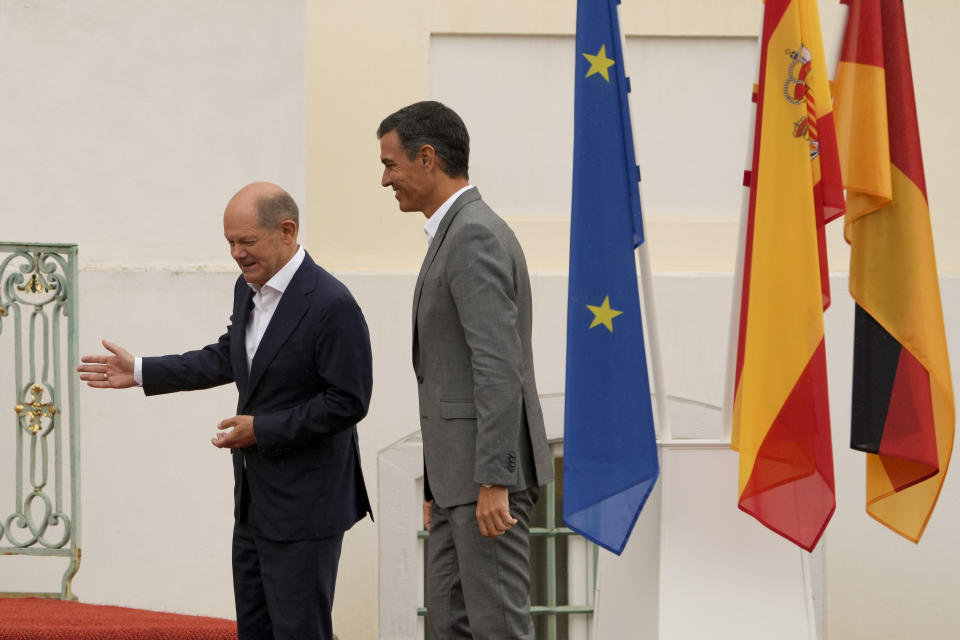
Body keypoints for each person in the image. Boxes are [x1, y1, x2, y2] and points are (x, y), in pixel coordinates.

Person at [77, 182, 373, 640]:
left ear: (287, 231)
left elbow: (348, 402)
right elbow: (228, 355)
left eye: (246, 242)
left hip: (306, 511)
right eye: (230, 242)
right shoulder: (248, 287)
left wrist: (263, 429)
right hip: (253, 506)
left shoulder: (332, 305)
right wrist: (139, 371)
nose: (236, 253)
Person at [377, 101, 553, 640]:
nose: (385, 180)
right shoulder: (454, 232)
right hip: (459, 484)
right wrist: (439, 483)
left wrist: (494, 480)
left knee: (498, 629)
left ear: (427, 158)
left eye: (391, 164)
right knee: (449, 629)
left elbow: (498, 366)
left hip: (486, 484)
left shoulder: (473, 234)